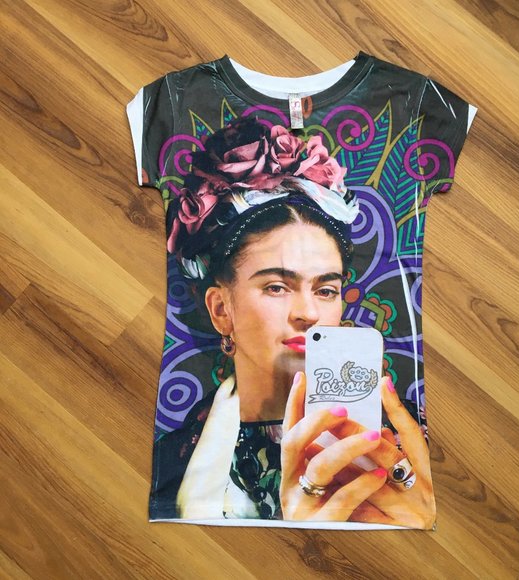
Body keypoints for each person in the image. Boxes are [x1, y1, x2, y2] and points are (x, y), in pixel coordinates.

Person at [150, 116, 435, 527]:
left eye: (326, 289)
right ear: (221, 310)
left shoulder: (401, 438)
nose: (309, 313)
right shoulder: (176, 464)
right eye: (277, 287)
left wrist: (415, 516)